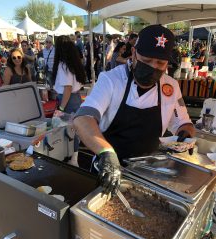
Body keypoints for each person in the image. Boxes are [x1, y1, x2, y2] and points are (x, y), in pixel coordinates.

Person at [73, 25, 195, 195]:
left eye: (160, 63)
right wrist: (106, 153)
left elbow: (184, 123)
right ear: (134, 54)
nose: (153, 67)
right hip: (108, 171)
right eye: (147, 60)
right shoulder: (111, 80)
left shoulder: (171, 87)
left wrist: (185, 134)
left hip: (147, 173)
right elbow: (82, 119)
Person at [53, 35, 86, 167]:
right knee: (74, 129)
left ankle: (72, 158)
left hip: (68, 100)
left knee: (67, 129)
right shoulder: (73, 63)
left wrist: (61, 108)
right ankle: (74, 157)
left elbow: (67, 88)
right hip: (75, 98)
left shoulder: (63, 65)